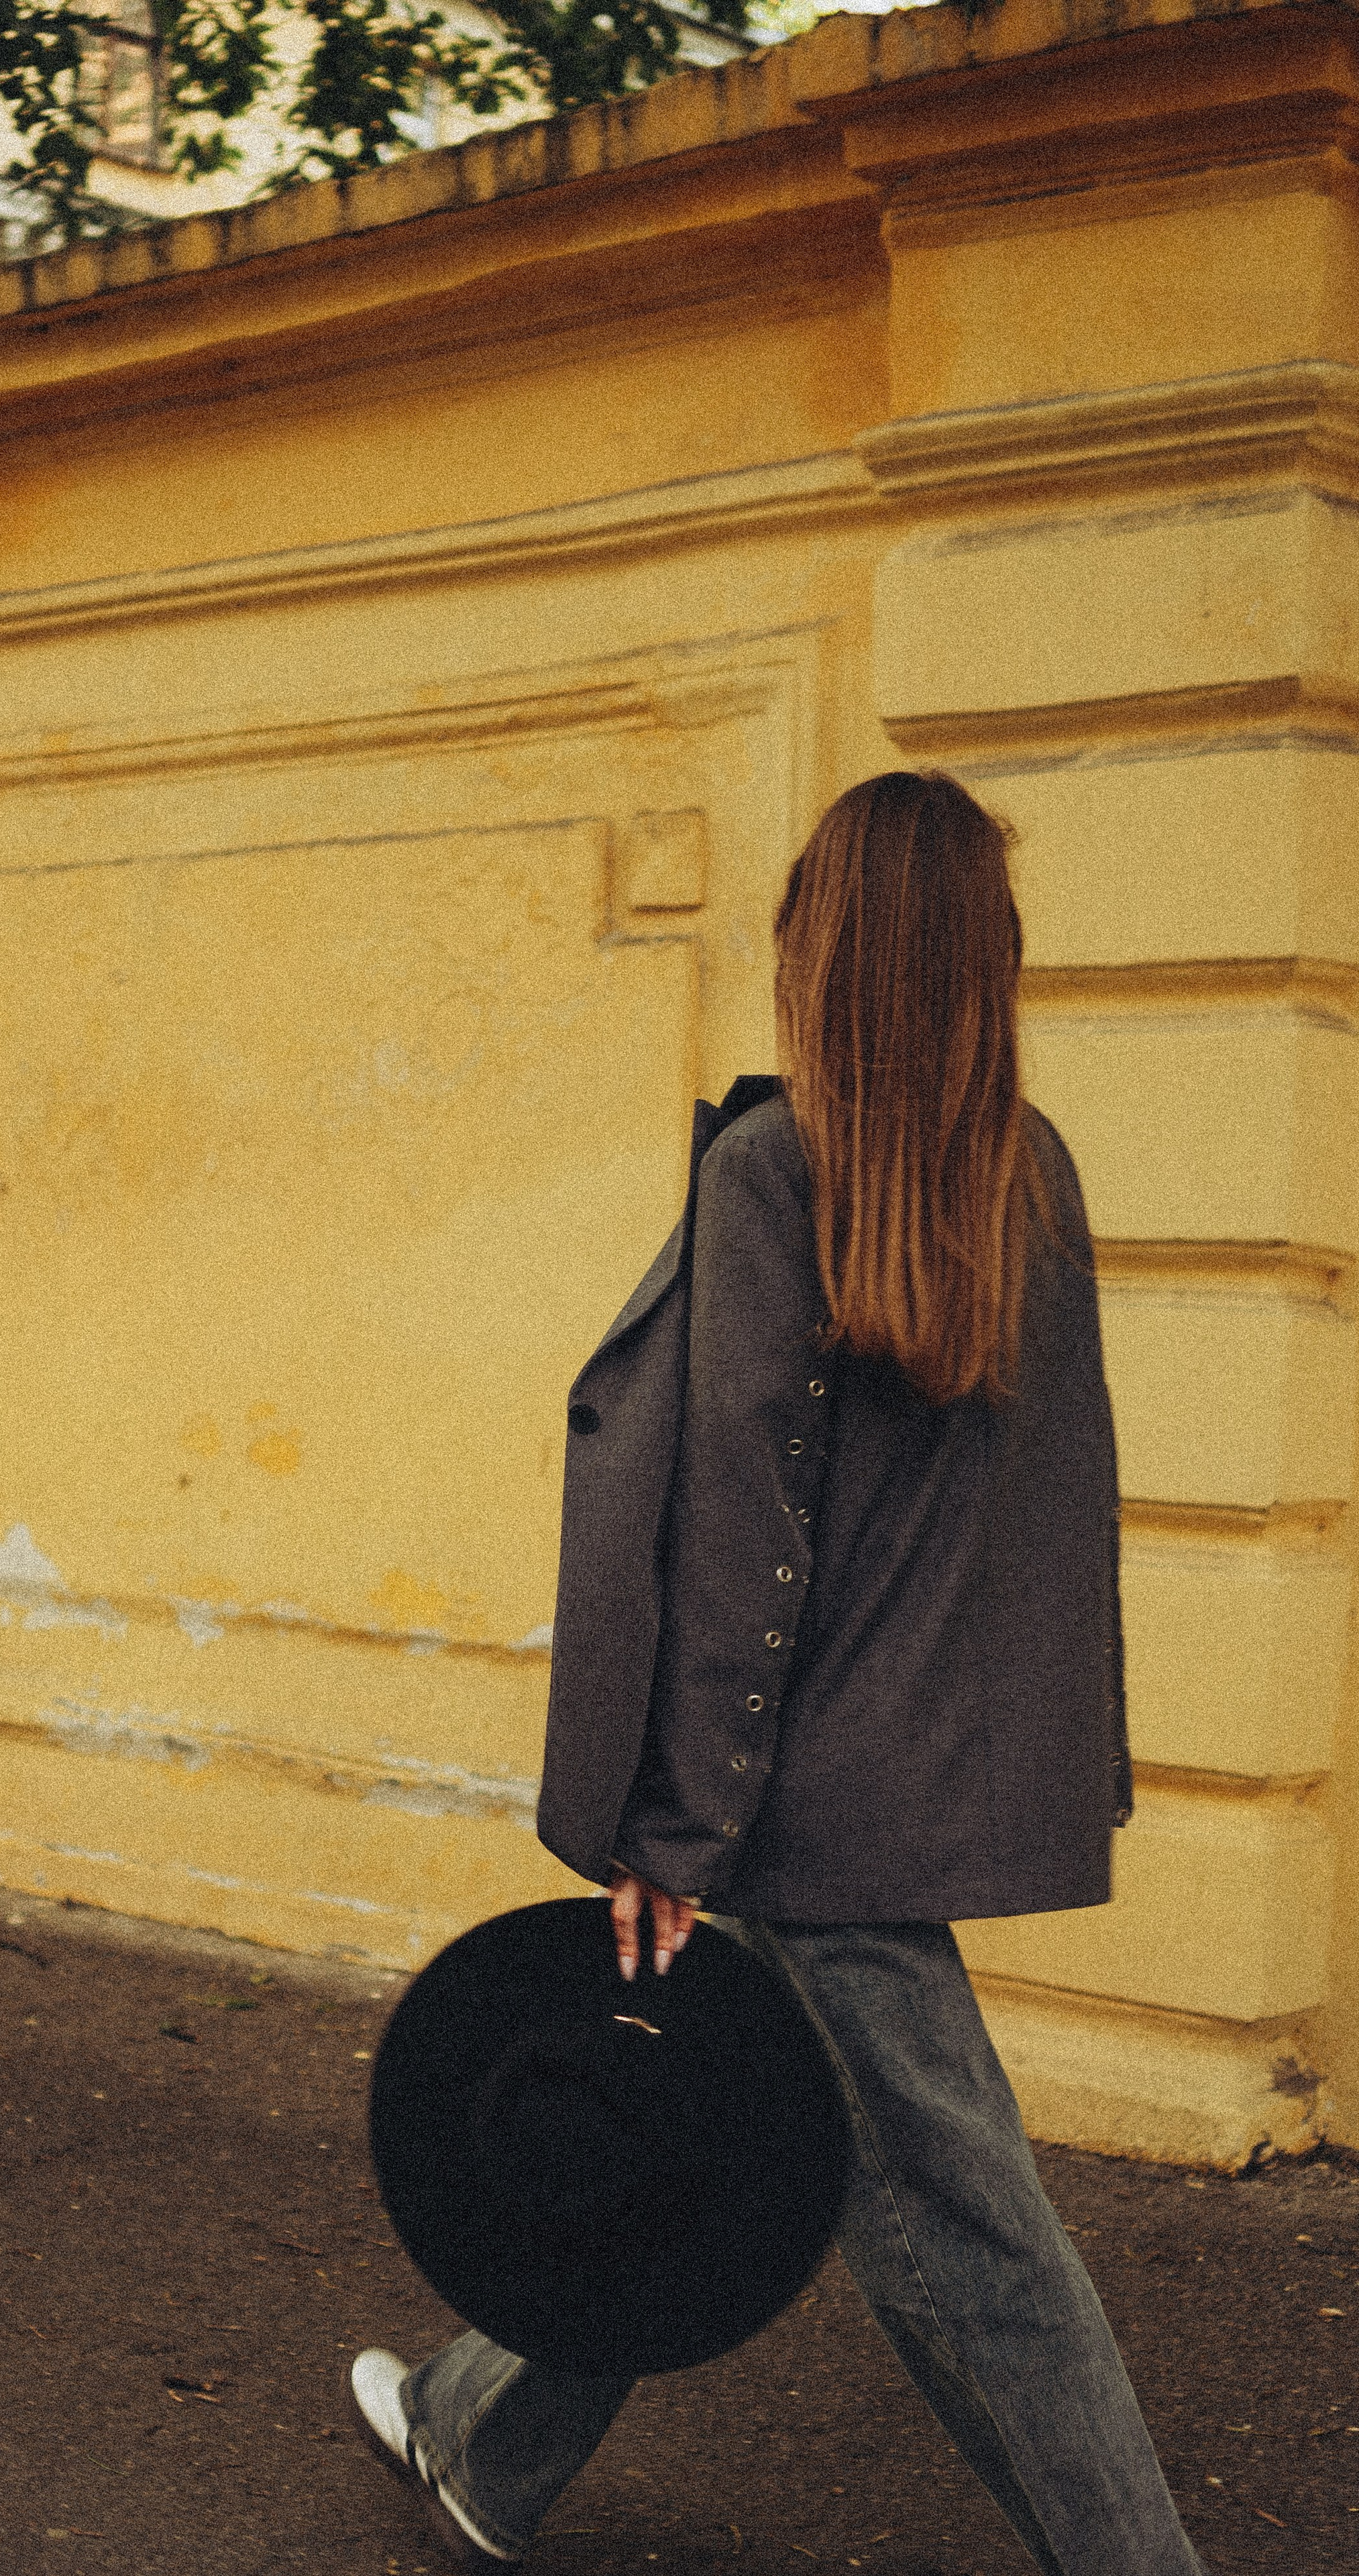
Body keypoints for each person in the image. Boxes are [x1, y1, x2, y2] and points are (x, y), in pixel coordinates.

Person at [349, 771, 1205, 2576]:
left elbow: (745, 1541)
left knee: (977, 2247)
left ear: (822, 949)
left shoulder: (775, 1168)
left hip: (794, 1811)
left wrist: (675, 1830)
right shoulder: (1020, 1172)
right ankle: (480, 2436)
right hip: (906, 1782)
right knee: (699, 2123)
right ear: (988, 959)